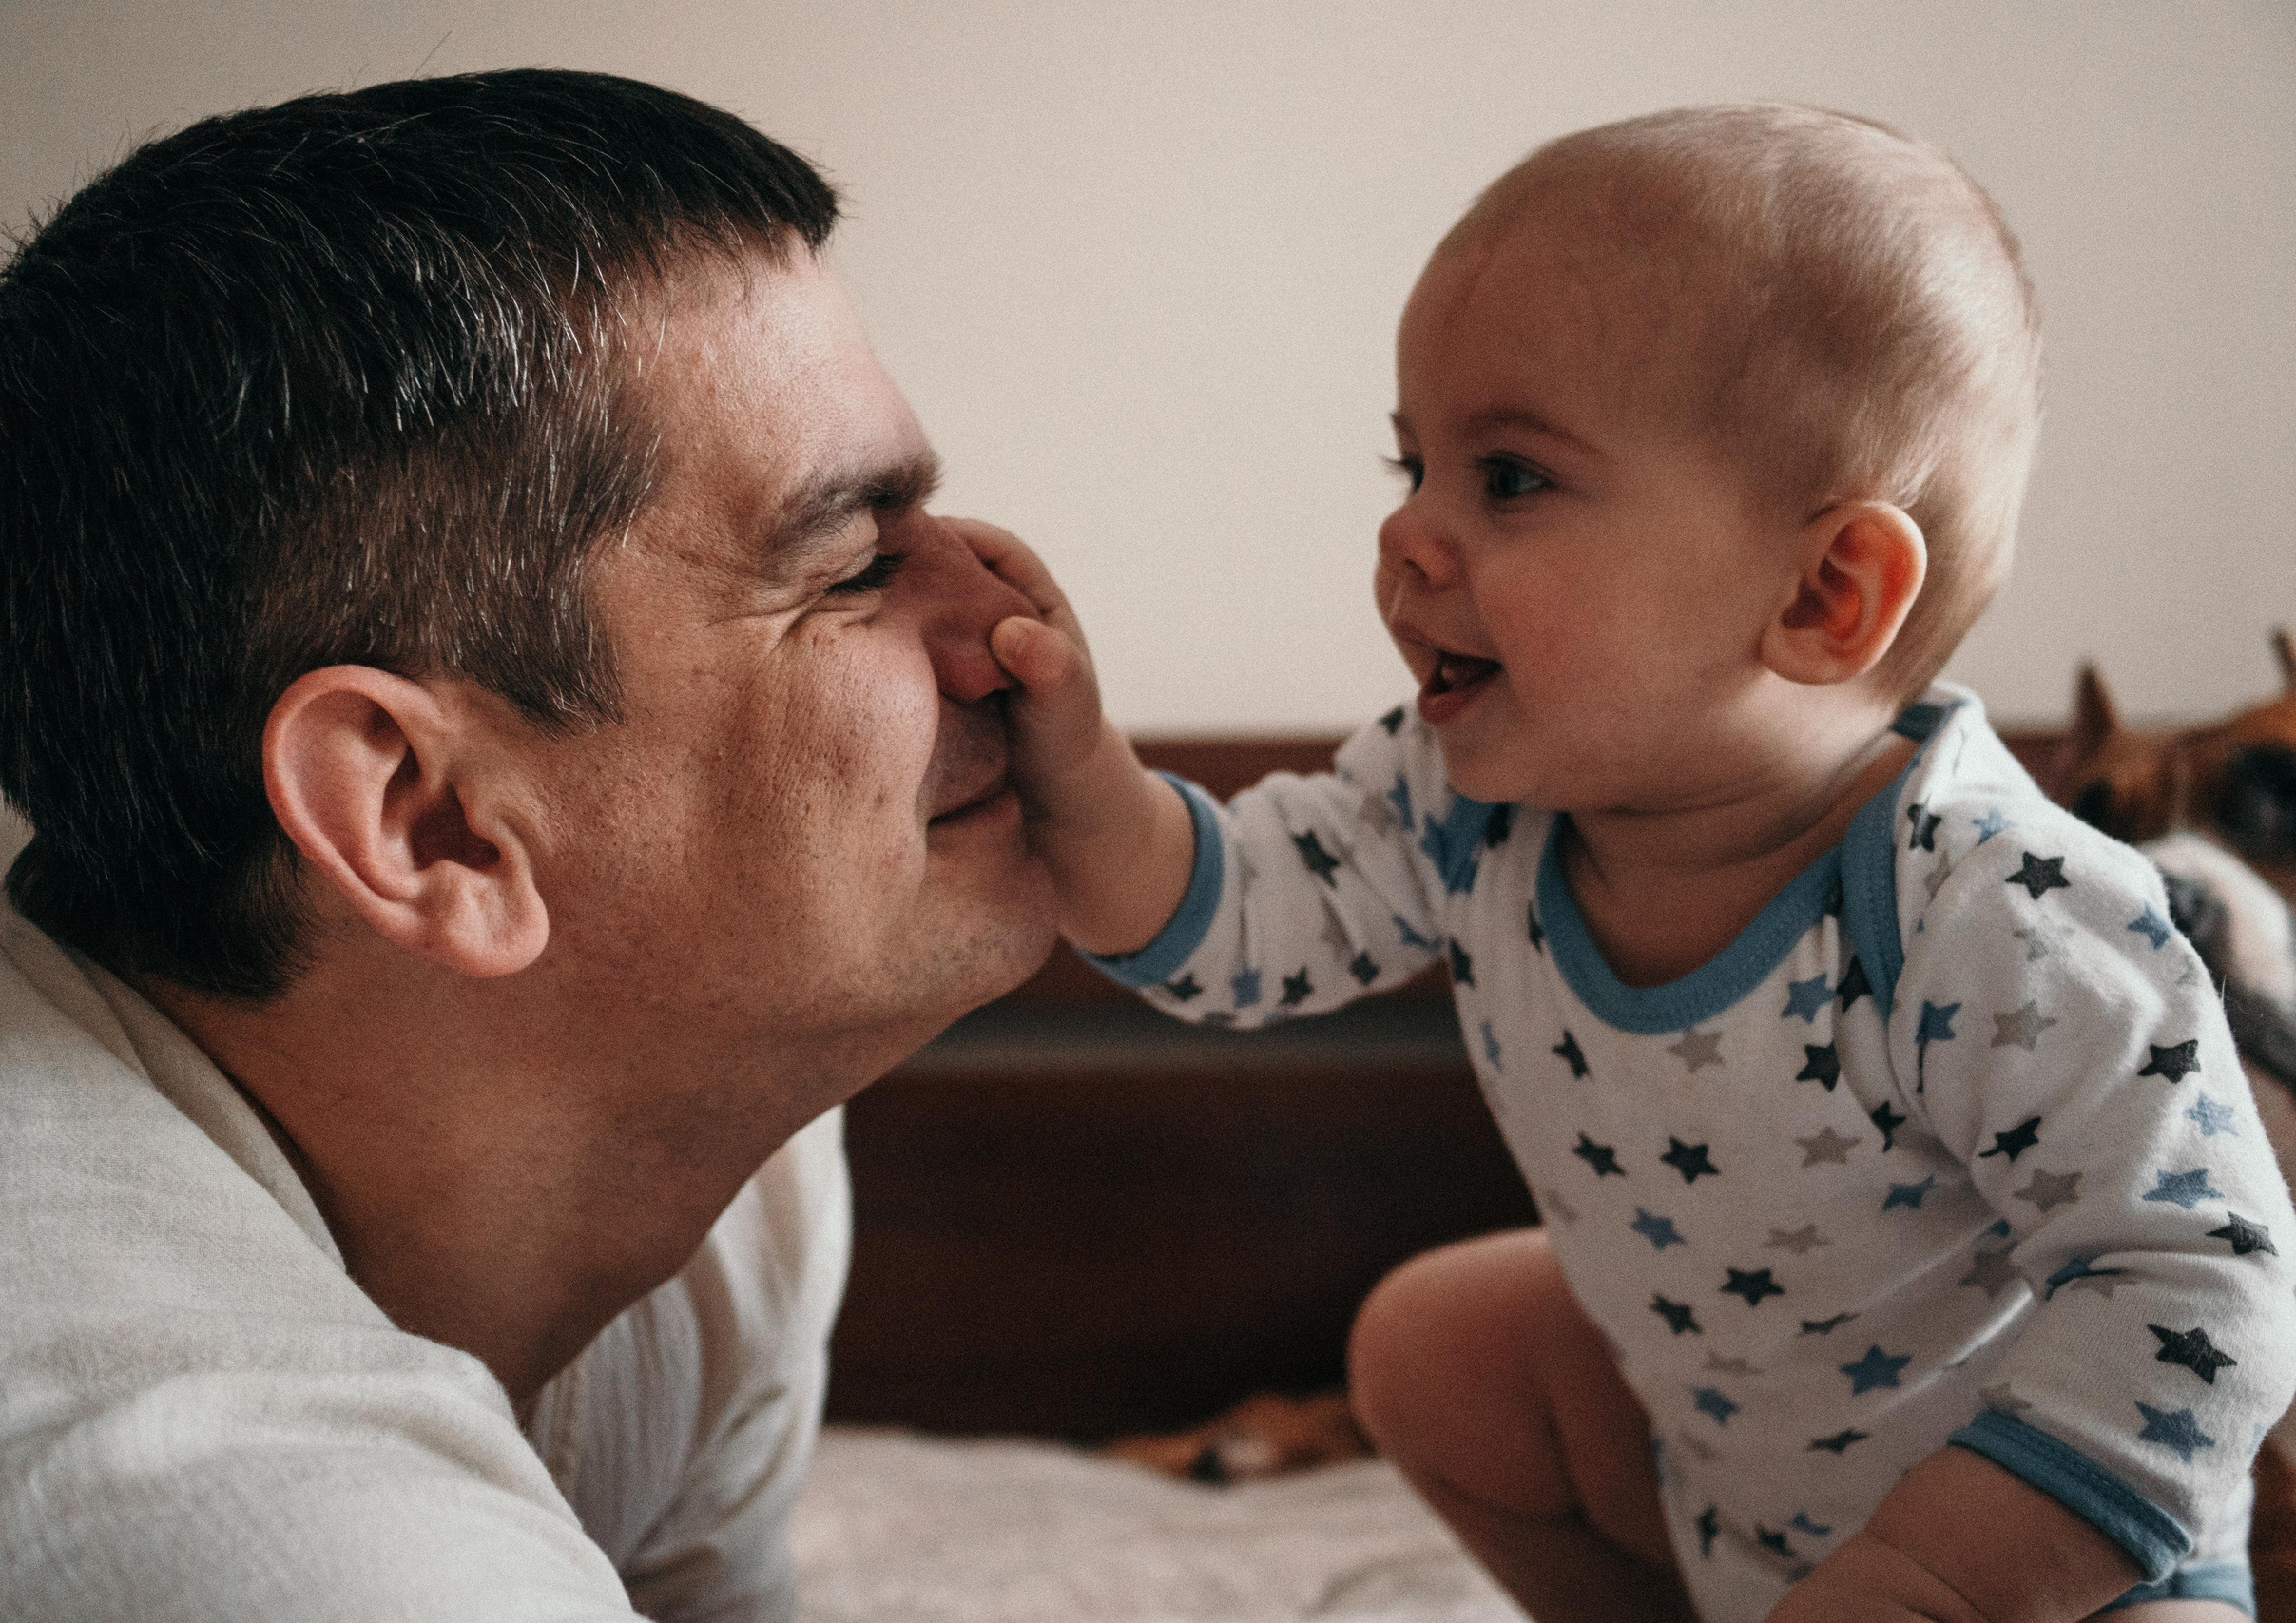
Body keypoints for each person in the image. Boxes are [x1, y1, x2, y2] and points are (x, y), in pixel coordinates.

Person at [977, 105, 2296, 1620]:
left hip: (2060, 1567)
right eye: (1413, 463)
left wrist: (1931, 1578)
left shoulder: (1999, 909)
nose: (1407, 534)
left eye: (1510, 477)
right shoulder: (1461, 800)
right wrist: (1078, 766)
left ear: (1822, 593)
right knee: (1437, 1345)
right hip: (1729, 1514)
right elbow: (1233, 922)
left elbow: (2208, 1288)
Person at [0, 70, 1055, 1621]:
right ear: (429, 823)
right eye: (852, 569)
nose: (1011, 630)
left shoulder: (716, 1175)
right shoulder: (230, 1528)